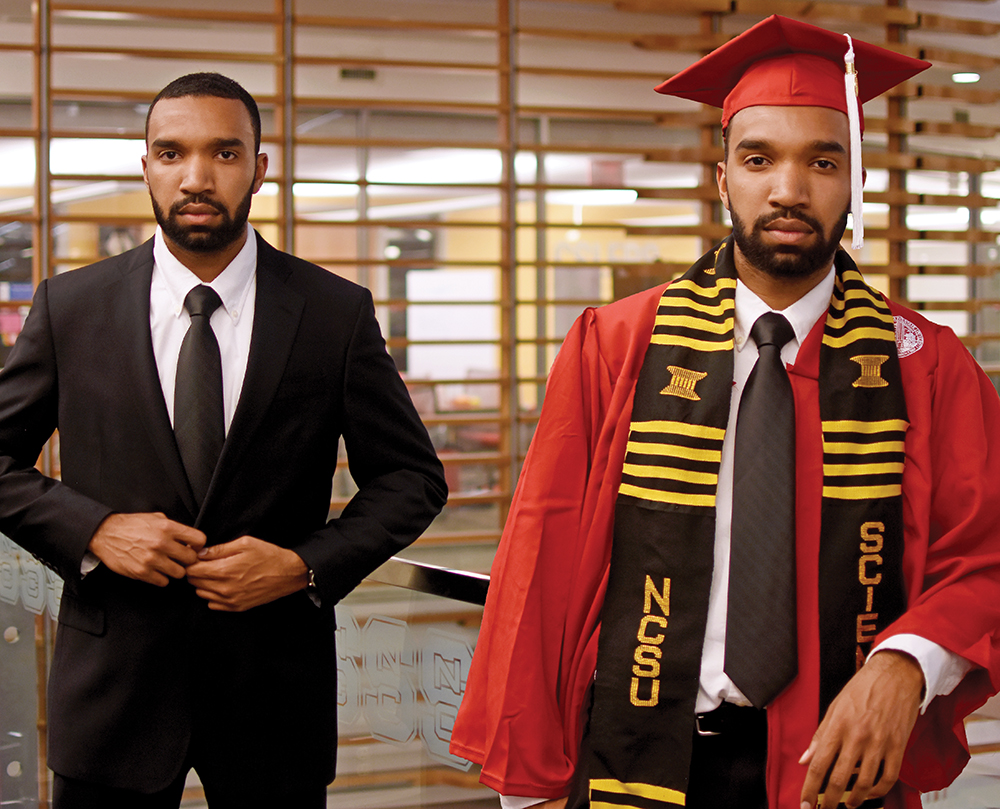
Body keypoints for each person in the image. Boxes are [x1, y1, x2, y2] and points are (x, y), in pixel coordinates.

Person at [450, 15, 1000, 809]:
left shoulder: (927, 366)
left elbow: (984, 556)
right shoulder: (618, 343)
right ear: (722, 179)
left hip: (834, 768)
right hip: (641, 751)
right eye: (758, 158)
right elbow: (545, 562)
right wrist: (528, 787)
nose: (788, 188)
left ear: (855, 181)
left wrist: (905, 662)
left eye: (822, 159)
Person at [0, 72, 447, 808]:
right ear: (146, 166)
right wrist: (96, 529)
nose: (197, 177)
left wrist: (306, 564)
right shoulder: (70, 307)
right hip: (113, 697)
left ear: (259, 169)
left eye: (224, 154)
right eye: (172, 153)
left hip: (274, 700)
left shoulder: (334, 314)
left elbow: (411, 479)